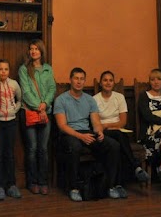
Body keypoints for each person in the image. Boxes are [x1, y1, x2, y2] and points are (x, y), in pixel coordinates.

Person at [54, 67, 123, 202]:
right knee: (75, 147)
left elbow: (96, 122)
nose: (79, 82)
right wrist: (79, 136)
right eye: (76, 78)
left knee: (113, 145)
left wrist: (99, 131)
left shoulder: (90, 100)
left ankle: (110, 186)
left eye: (82, 79)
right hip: (69, 134)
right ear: (70, 80)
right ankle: (73, 188)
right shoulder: (61, 100)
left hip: (87, 132)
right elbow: (62, 126)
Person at [93, 70, 149, 184]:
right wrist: (107, 126)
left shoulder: (119, 97)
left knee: (119, 141)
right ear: (100, 83)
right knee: (119, 136)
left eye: (110, 80)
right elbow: (97, 123)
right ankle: (135, 167)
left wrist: (108, 125)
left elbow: (123, 122)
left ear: (113, 83)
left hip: (118, 130)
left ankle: (117, 183)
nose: (108, 83)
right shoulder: (94, 99)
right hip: (102, 132)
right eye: (105, 80)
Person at [18, 39, 56, 195]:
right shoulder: (24, 69)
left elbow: (52, 88)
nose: (33, 51)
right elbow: (26, 91)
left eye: (36, 49)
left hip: (45, 113)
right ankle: (32, 182)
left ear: (41, 51)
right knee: (32, 148)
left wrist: (45, 104)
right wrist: (38, 106)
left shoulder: (48, 69)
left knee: (43, 149)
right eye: (31, 48)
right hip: (29, 111)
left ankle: (43, 181)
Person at [0, 59, 22, 200]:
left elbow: (20, 99)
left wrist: (15, 109)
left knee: (9, 154)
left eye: (6, 69)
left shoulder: (14, 84)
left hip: (11, 122)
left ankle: (11, 185)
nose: (3, 72)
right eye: (0, 69)